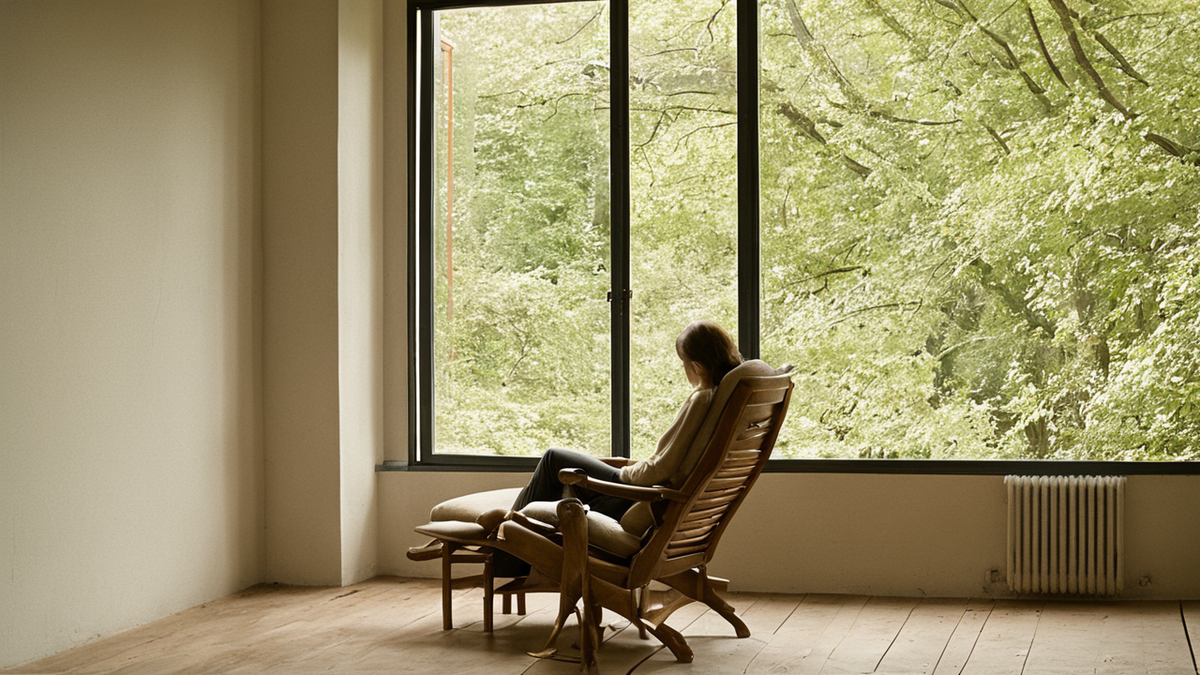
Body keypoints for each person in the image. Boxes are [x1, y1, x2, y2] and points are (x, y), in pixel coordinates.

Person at [509, 319, 744, 520]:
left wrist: (624, 473)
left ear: (697, 366)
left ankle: (506, 530)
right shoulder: (718, 398)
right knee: (562, 471)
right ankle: (515, 527)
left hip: (636, 491)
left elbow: (662, 468)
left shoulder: (702, 399)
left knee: (553, 458)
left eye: (683, 363)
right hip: (644, 488)